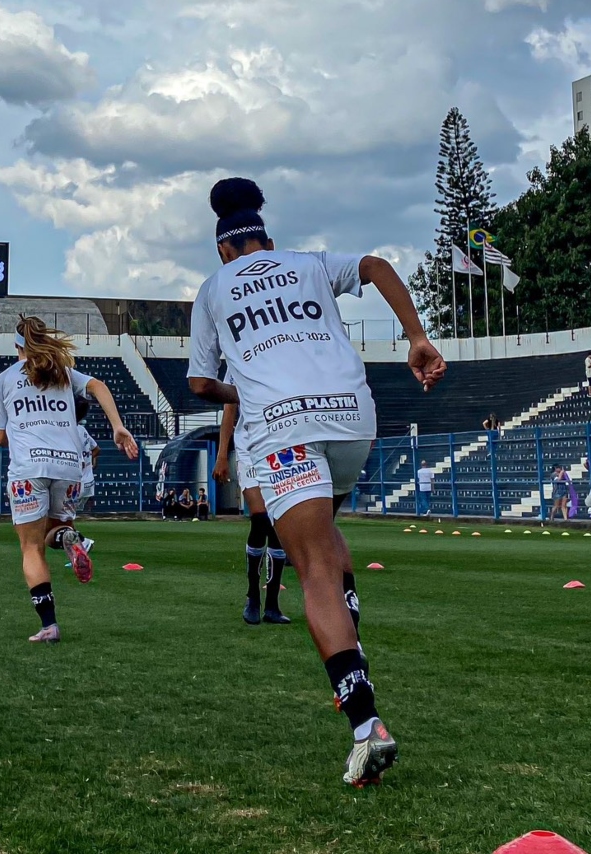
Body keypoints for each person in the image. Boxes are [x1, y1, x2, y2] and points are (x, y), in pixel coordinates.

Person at [186, 177, 445, 786]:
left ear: (223, 249)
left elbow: (200, 385)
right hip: (354, 419)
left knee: (314, 571)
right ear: (266, 238)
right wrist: (416, 336)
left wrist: (243, 391)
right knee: (327, 535)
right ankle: (349, 627)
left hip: (283, 428)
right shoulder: (305, 263)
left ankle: (365, 724)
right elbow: (377, 264)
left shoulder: (212, 289)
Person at [0, 316, 138, 644]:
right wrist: (117, 425)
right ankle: (70, 538)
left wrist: (24, 431)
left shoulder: (3, 379)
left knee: (30, 547)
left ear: (18, 347)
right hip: (69, 466)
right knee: (52, 532)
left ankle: (49, 624)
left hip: (30, 468)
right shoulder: (64, 374)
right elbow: (98, 385)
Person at [213, 375, 291, 625]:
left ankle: (272, 605)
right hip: (249, 447)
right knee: (261, 518)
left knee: (278, 524)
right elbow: (229, 410)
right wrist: (222, 454)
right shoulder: (238, 360)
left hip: (281, 445)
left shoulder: (285, 358)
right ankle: (253, 595)